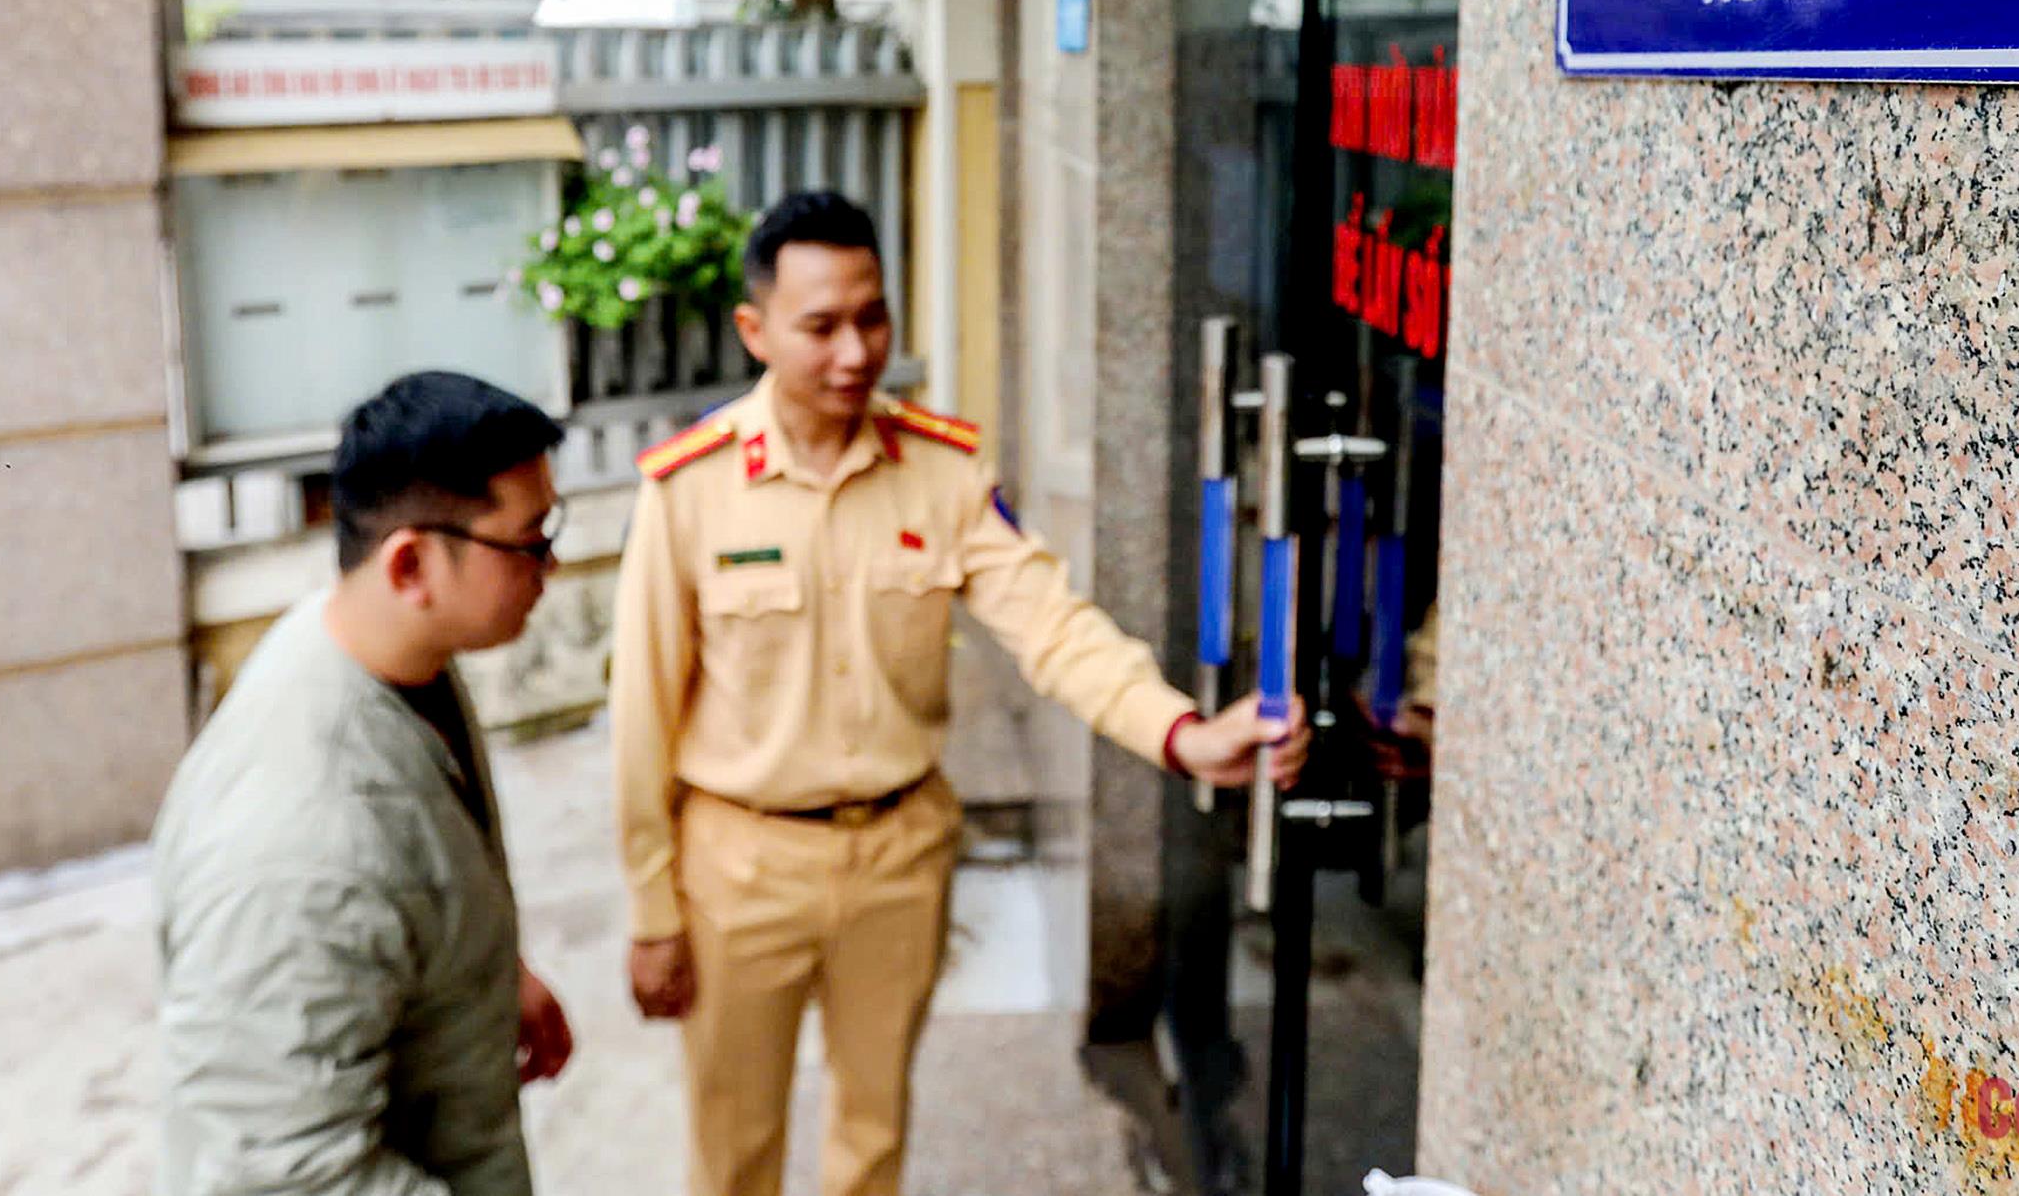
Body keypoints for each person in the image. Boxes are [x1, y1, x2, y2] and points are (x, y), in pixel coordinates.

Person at [610, 190, 1311, 1196]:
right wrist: (653, 907)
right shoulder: (688, 488)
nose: (857, 351)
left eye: (873, 317)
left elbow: (1053, 626)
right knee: (732, 1147)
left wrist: (1181, 732)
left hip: (899, 861)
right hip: (741, 867)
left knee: (873, 1134)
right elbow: (641, 716)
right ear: (754, 331)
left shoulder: (939, 470)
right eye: (821, 326)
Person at [155, 371, 577, 1196]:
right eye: (529, 541)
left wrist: (488, 975)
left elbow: (417, 887)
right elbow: (285, 1172)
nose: (550, 564)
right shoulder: (299, 847)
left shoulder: (387, 650)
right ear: (411, 563)